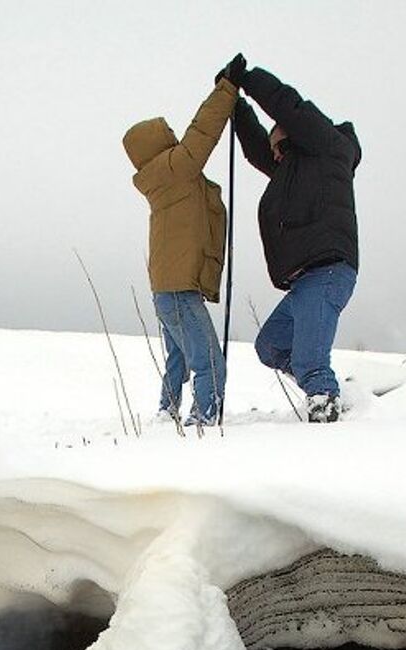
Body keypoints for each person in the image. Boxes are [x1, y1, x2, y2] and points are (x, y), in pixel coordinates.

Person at [227, 55, 361, 422]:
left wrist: (249, 80)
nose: (271, 153)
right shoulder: (296, 169)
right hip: (305, 280)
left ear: (290, 133)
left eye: (276, 142)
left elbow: (290, 105)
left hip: (328, 270)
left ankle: (328, 407)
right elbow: (257, 150)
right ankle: (329, 389)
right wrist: (235, 106)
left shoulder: (327, 148)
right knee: (270, 346)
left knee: (309, 363)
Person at [122, 60, 244, 426]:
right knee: (208, 360)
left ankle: (166, 412)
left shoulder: (162, 177)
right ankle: (204, 420)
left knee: (179, 358)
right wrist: (226, 88)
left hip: (167, 290)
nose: (176, 134)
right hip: (176, 290)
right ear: (157, 143)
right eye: (168, 132)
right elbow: (202, 131)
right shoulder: (174, 169)